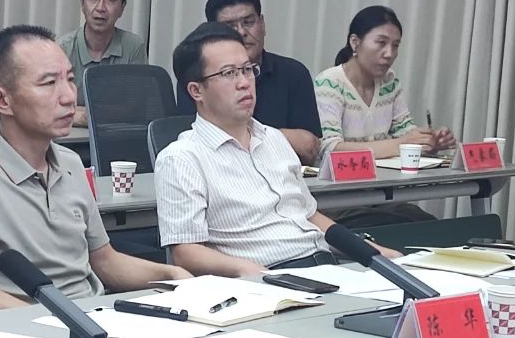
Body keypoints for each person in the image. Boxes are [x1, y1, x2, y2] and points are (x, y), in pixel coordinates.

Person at [0, 25, 188, 312]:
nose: (68, 97)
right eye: (48, 83)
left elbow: (104, 260)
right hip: (23, 326)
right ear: (2, 100)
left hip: (92, 315)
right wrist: (51, 319)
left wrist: (171, 275)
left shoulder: (70, 162)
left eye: (70, 79)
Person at [157, 23, 396, 275]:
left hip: (324, 265)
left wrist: (370, 253)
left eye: (247, 69)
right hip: (266, 276)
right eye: (229, 73)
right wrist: (256, 273)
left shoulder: (274, 138)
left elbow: (310, 215)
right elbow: (186, 252)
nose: (244, 82)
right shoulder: (181, 158)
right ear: (196, 91)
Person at [175, 0, 322, 165]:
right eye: (229, 26)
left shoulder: (294, 73)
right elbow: (201, 139)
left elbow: (309, 146)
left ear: (262, 24)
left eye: (248, 22)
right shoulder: (198, 77)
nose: (241, 32)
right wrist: (276, 137)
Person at [314, 5, 455, 158]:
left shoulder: (389, 81)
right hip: (346, 174)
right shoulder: (329, 82)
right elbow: (330, 148)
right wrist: (402, 144)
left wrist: (428, 141)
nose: (389, 54)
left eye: (395, 45)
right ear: (355, 42)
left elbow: (405, 132)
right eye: (381, 42)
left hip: (385, 173)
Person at [54, 0, 148, 126]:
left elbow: (136, 108)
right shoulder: (62, 48)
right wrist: (84, 117)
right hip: (68, 136)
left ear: (122, 8)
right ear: (82, 4)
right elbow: (52, 105)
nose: (100, 8)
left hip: (116, 135)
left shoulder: (133, 46)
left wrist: (83, 114)